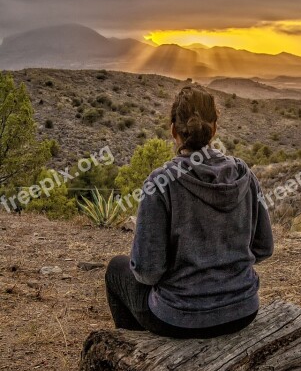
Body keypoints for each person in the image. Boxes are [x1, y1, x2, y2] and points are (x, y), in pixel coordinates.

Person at [105, 85, 273, 339]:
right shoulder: (244, 174)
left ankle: (136, 354)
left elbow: (147, 272)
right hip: (243, 311)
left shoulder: (161, 183)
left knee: (116, 270)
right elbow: (264, 248)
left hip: (180, 318)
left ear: (173, 130)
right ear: (214, 129)